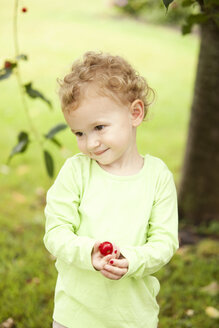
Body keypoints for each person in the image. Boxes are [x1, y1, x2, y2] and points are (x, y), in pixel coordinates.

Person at [43, 51, 179, 328]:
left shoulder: (157, 177)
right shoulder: (76, 172)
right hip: (75, 315)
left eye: (99, 127)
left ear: (134, 113)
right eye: (79, 133)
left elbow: (165, 242)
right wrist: (88, 252)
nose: (91, 143)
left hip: (132, 317)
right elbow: (55, 232)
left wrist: (132, 259)